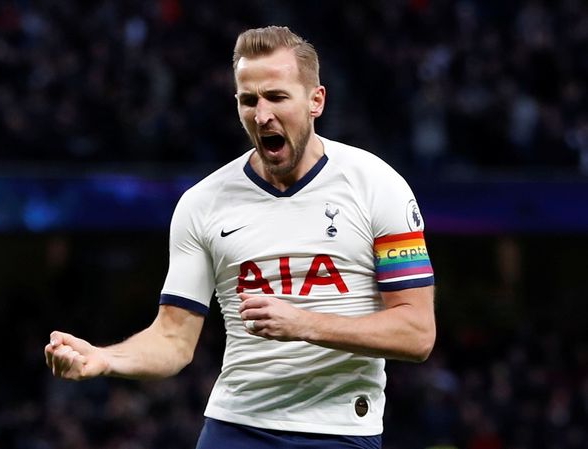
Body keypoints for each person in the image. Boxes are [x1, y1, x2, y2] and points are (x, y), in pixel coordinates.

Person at [45, 26, 436, 448]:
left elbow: (416, 333)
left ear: (315, 101)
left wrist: (304, 323)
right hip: (236, 428)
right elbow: (173, 340)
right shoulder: (203, 203)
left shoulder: (378, 185)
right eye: (248, 100)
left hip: (340, 432)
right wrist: (105, 358)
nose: (261, 114)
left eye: (276, 97)